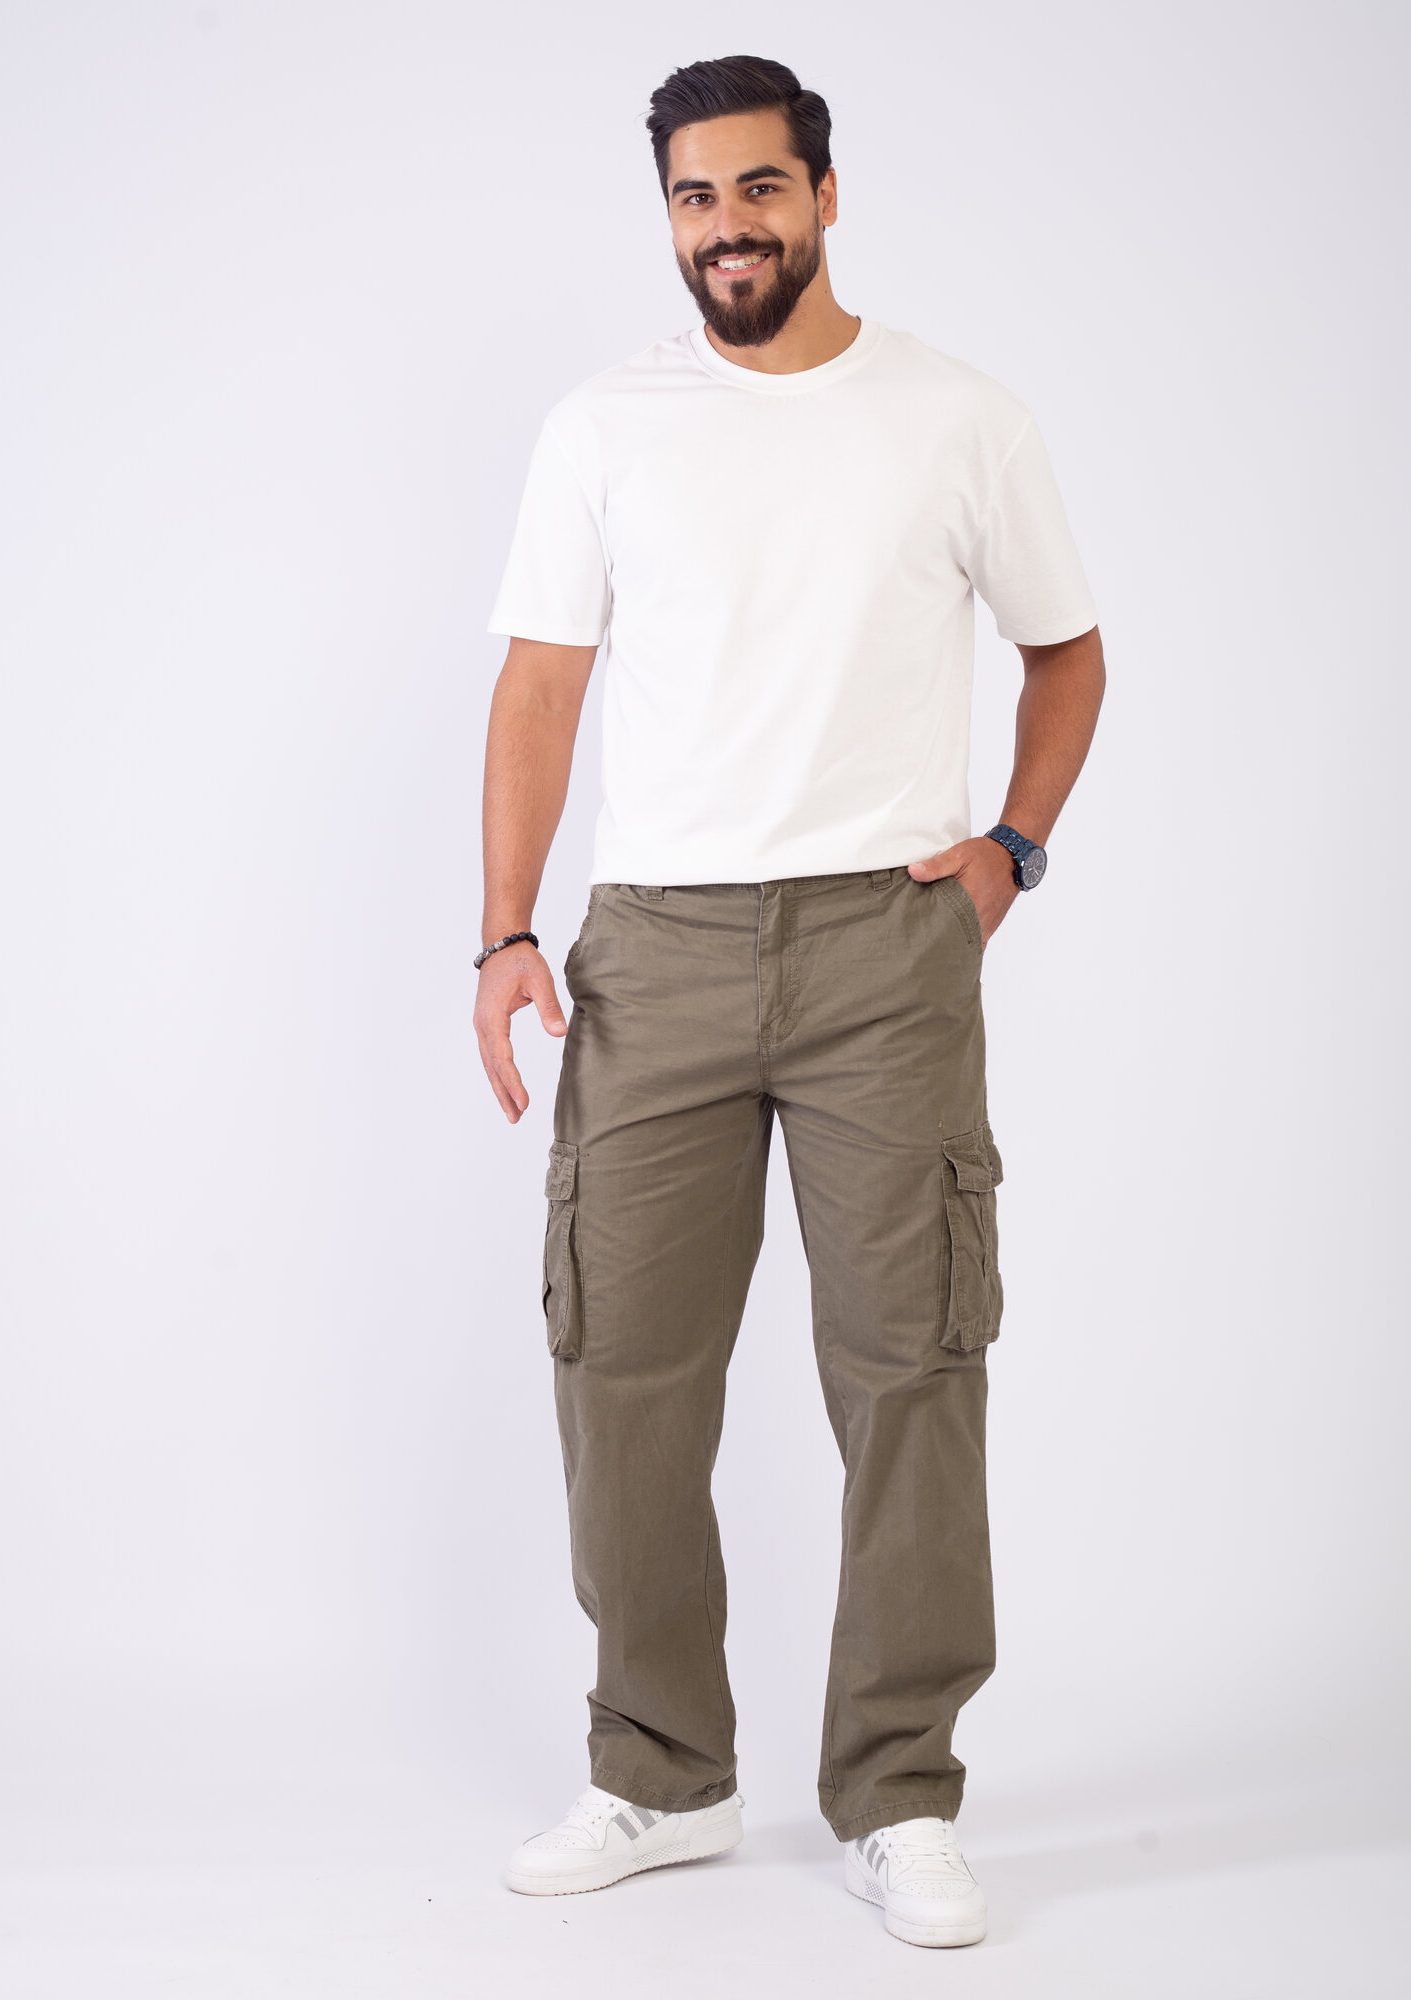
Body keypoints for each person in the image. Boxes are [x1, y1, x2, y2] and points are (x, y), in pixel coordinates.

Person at [473, 54, 1104, 1951]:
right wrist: (504, 935)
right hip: (654, 951)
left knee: (911, 1368)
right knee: (622, 1370)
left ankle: (900, 1790)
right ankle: (662, 1772)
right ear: (669, 217)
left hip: (884, 951)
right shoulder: (606, 426)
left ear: (825, 194)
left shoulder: (957, 417)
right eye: (694, 198)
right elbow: (538, 686)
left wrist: (1010, 850)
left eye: (758, 189)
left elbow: (1067, 651)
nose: (727, 227)